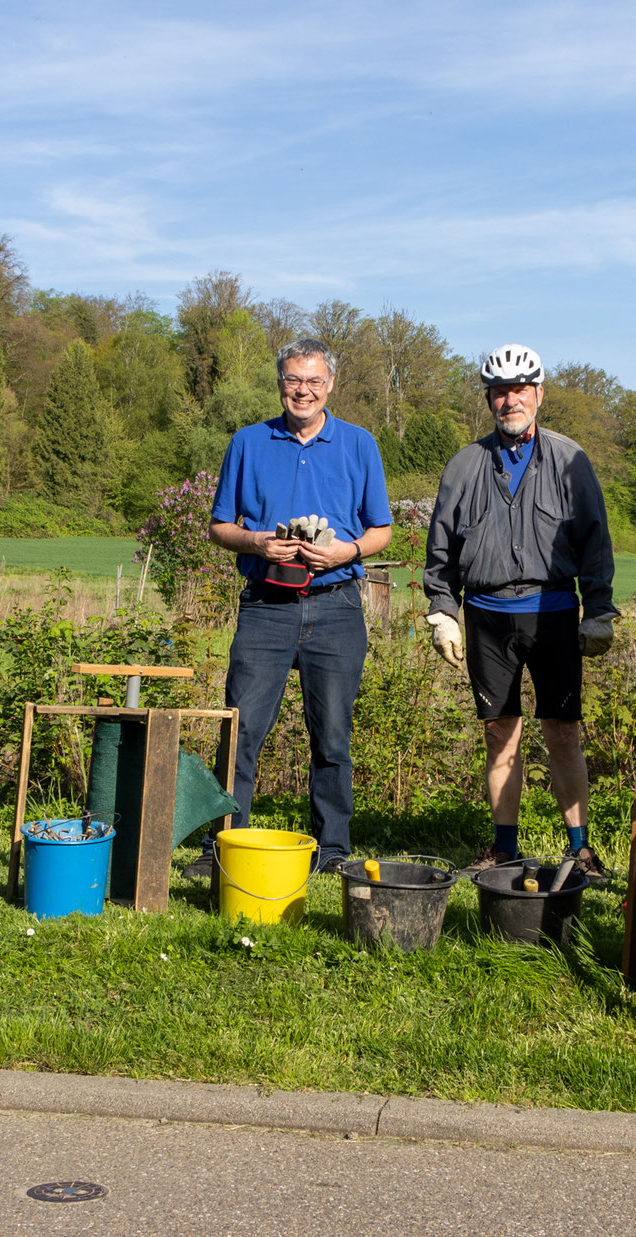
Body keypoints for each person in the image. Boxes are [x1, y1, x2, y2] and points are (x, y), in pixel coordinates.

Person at [192, 337, 393, 877]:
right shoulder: (248, 443)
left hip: (336, 606)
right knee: (241, 730)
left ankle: (332, 851)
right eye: (292, 380)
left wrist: (346, 551)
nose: (302, 390)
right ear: (280, 383)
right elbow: (218, 526)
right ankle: (223, 846)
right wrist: (256, 543)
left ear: (330, 385)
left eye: (313, 380)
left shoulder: (359, 444)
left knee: (331, 735)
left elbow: (382, 530)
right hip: (266, 607)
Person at [422, 344, 620, 875]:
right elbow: (440, 546)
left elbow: (595, 540)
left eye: (520, 390)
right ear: (489, 398)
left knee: (562, 732)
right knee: (499, 732)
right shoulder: (465, 464)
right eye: (500, 391)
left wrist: (598, 609)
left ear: (538, 394)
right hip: (486, 615)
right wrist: (443, 609)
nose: (511, 400)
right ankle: (503, 846)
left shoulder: (569, 459)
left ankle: (579, 846)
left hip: (553, 612)